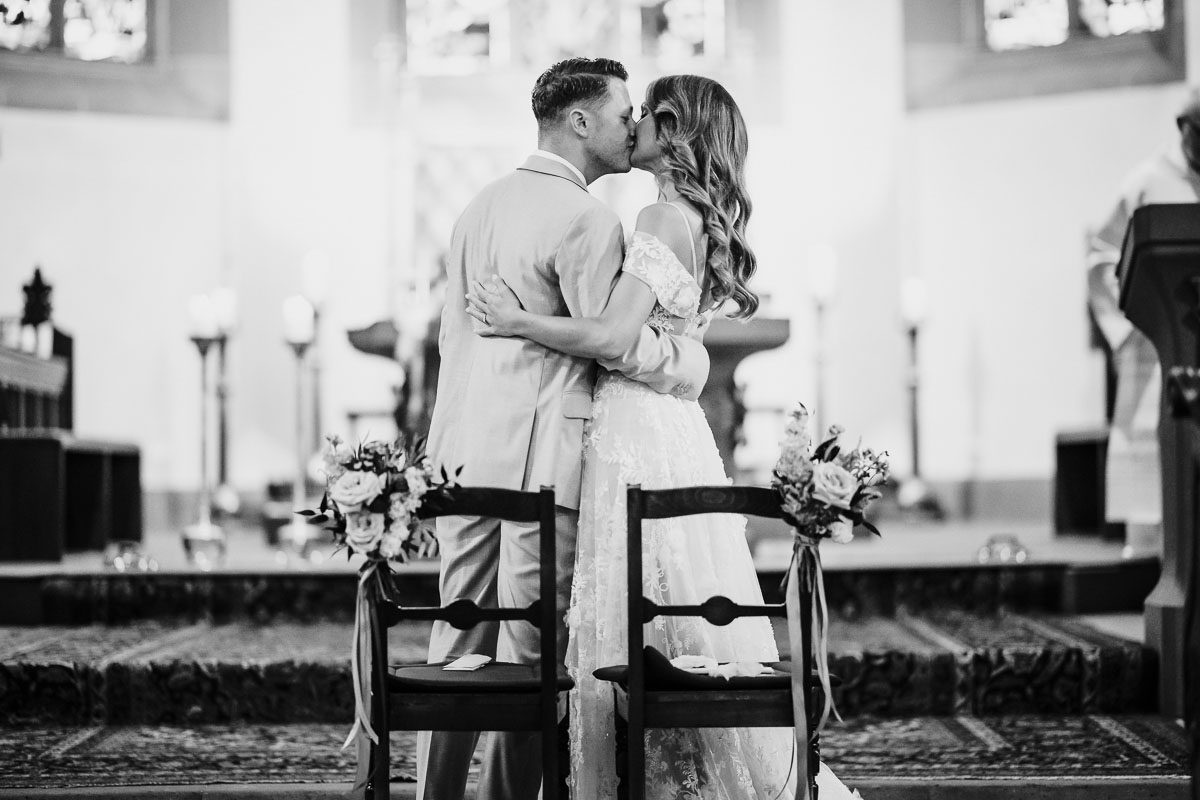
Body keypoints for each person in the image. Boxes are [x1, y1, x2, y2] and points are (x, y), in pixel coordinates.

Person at [469, 74, 861, 800]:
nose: (636, 121)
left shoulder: (658, 216)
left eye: (648, 111)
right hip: (671, 428)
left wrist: (517, 321)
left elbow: (613, 337)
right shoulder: (695, 221)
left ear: (677, 129)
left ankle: (645, 778)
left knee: (634, 600)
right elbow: (671, 343)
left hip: (633, 428)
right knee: (678, 603)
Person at [421, 58, 711, 800]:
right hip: (540, 466)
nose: (633, 126)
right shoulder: (588, 219)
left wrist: (438, 457)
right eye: (622, 114)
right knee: (531, 659)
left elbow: (455, 345)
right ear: (580, 121)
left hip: (462, 460)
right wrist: (690, 360)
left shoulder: (476, 206)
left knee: (455, 649)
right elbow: (612, 346)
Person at [1086, 88, 1200, 558]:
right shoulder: (1146, 184)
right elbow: (1101, 258)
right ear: (1184, 128)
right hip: (1157, 345)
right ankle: (1149, 562)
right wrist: (1131, 327)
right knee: (1152, 456)